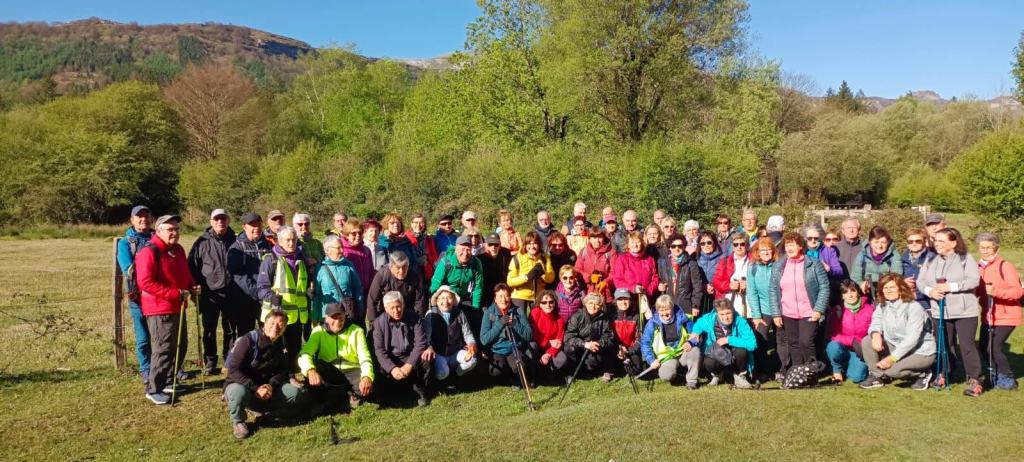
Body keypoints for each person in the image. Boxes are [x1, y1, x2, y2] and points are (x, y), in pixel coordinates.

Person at [136, 215, 199, 405]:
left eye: (177, 229)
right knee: (163, 348)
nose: (174, 233)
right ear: (158, 231)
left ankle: (169, 381)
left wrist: (192, 286)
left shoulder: (177, 249)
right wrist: (174, 293)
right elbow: (145, 282)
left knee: (180, 345)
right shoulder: (149, 251)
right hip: (159, 308)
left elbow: (185, 274)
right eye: (170, 229)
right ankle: (154, 388)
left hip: (178, 305)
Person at [916, 228, 984, 396]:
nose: (937, 244)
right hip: (939, 311)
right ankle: (945, 373)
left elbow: (974, 280)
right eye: (936, 240)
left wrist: (950, 287)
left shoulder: (965, 258)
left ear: (953, 243)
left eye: (942, 241)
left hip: (965, 312)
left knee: (967, 346)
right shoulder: (930, 260)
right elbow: (920, 281)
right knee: (944, 344)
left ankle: (975, 379)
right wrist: (930, 291)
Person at [223, 310, 310, 439]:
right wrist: (256, 388)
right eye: (272, 323)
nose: (276, 327)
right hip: (243, 385)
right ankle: (238, 421)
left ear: (285, 327)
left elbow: (283, 370)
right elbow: (233, 370)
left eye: (281, 324)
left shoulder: (282, 342)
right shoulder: (247, 340)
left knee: (294, 393)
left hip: (266, 386)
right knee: (238, 392)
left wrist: (271, 385)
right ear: (264, 323)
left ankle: (261, 409)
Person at [858, 274, 936, 391]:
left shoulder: (914, 307)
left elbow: (912, 338)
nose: (888, 291)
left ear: (900, 288)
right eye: (885, 288)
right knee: (867, 341)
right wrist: (876, 335)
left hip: (920, 351)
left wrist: (892, 358)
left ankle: (923, 374)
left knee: (893, 372)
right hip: (895, 346)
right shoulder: (882, 306)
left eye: (892, 287)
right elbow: (876, 322)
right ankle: (877, 376)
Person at [298, 301, 374, 415]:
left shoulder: (357, 331)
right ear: (326, 318)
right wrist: (310, 370)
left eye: (341, 317)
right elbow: (304, 353)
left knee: (368, 389)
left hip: (352, 370)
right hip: (330, 369)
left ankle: (339, 396)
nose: (338, 321)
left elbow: (365, 357)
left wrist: (367, 377)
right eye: (334, 317)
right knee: (313, 368)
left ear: (345, 316)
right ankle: (345, 396)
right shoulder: (318, 331)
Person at [768, 232, 829, 372]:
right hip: (787, 312)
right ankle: (798, 372)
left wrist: (819, 309)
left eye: (793, 245)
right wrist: (776, 313)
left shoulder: (814, 264)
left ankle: (812, 372)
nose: (789, 248)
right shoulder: (778, 266)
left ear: (801, 246)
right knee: (793, 343)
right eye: (787, 245)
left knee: (806, 342)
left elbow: (824, 287)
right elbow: (773, 290)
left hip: (809, 311)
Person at [188, 208, 239, 375]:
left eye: (223, 219)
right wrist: (195, 287)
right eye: (217, 219)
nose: (220, 222)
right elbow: (192, 266)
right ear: (211, 222)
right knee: (209, 328)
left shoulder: (236, 240)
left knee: (230, 329)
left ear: (228, 220)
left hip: (231, 292)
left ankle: (229, 360)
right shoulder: (202, 242)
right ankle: (210, 360)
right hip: (209, 293)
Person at [256, 225, 313, 370]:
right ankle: (273, 376)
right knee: (274, 349)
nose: (291, 243)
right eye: (287, 240)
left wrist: (309, 291)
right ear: (279, 241)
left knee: (294, 349)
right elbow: (261, 288)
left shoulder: (302, 258)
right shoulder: (270, 260)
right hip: (276, 314)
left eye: (294, 240)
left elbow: (304, 283)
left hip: (296, 315)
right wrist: (271, 297)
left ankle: (291, 375)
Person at [975, 232, 1023, 390]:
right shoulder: (977, 267)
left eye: (989, 247)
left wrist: (996, 292)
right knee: (984, 347)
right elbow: (978, 291)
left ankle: (1007, 379)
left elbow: (1018, 292)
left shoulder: (1005, 266)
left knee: (993, 348)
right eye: (982, 247)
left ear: (996, 247)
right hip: (988, 316)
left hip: (1007, 316)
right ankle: (994, 375)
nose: (985, 250)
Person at [373, 291, 432, 406]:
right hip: (392, 357)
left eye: (398, 306)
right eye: (392, 308)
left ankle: (421, 391)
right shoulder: (379, 323)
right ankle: (396, 392)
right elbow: (379, 350)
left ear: (403, 305)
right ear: (386, 309)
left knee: (426, 359)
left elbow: (420, 343)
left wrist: (409, 364)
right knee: (381, 368)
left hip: (410, 355)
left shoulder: (414, 317)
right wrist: (392, 368)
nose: (396, 311)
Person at [116, 205, 154, 383]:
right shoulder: (126, 243)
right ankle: (146, 369)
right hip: (138, 297)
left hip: (159, 296)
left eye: (146, 216)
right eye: (139, 216)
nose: (143, 219)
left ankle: (168, 367)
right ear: (132, 220)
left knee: (163, 335)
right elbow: (128, 269)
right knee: (143, 337)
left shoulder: (158, 238)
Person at [227, 212, 269, 356]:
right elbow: (238, 276)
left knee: (268, 333)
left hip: (266, 299)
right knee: (245, 336)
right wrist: (258, 292)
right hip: (246, 300)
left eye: (259, 225)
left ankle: (265, 361)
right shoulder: (237, 247)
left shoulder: (267, 244)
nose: (256, 228)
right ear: (244, 227)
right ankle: (243, 363)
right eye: (252, 225)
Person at [690, 299, 757, 388]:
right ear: (717, 313)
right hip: (718, 354)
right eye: (722, 314)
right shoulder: (710, 319)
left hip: (734, 356)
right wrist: (695, 332)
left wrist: (729, 340)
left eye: (728, 313)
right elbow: (698, 324)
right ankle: (717, 375)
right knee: (709, 362)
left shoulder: (741, 322)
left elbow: (752, 344)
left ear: (733, 311)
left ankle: (740, 376)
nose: (725, 317)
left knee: (741, 352)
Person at [639, 295, 701, 388]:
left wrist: (690, 342)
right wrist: (651, 360)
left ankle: (692, 382)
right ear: (657, 310)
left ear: (672, 307)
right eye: (661, 310)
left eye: (667, 309)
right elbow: (645, 344)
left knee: (695, 351)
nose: (665, 313)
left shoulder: (684, 318)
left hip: (683, 353)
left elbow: (695, 334)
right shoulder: (652, 323)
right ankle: (680, 376)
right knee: (666, 375)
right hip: (667, 358)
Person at [430, 235, 485, 335]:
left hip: (463, 296)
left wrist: (475, 307)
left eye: (468, 250)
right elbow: (435, 285)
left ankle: (472, 341)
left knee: (475, 317)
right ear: (456, 249)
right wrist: (435, 305)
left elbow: (478, 287)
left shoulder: (476, 263)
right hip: (446, 297)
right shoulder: (446, 262)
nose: (465, 253)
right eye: (462, 249)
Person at [423, 286, 479, 384]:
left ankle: (454, 377)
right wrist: (429, 347)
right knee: (442, 373)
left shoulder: (459, 313)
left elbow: (467, 333)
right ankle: (441, 381)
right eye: (442, 298)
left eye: (449, 298)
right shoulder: (431, 313)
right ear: (437, 300)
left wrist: (472, 344)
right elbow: (427, 336)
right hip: (439, 353)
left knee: (472, 360)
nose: (445, 301)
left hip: (455, 351)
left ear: (453, 301)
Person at [481, 284, 533, 387]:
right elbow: (484, 339)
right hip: (497, 350)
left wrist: (515, 324)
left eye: (506, 296)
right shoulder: (489, 313)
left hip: (514, 349)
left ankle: (515, 375)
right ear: (495, 299)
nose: (503, 300)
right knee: (496, 371)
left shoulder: (518, 311)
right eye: (500, 296)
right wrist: (499, 324)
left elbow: (529, 335)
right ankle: (508, 376)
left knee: (520, 366)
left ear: (510, 297)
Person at [825, 280, 874, 384]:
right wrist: (852, 341)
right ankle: (837, 370)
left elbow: (873, 332)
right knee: (833, 346)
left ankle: (849, 366)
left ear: (858, 292)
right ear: (842, 296)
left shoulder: (870, 309)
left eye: (853, 291)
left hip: (860, 350)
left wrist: (861, 345)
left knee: (857, 377)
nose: (850, 295)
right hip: (842, 348)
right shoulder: (838, 310)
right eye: (846, 292)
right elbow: (833, 335)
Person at [745, 238, 780, 380]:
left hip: (781, 310)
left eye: (768, 249)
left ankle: (780, 369)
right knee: (761, 340)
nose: (766, 252)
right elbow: (752, 293)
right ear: (757, 252)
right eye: (762, 249)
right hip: (763, 310)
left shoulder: (779, 266)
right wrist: (756, 316)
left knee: (780, 342)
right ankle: (762, 371)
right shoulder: (752, 268)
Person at [564, 293, 617, 382]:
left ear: (600, 306)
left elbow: (608, 336)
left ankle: (607, 370)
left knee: (595, 360)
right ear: (585, 303)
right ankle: (570, 372)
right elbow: (569, 337)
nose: (593, 306)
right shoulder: (577, 316)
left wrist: (598, 343)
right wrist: (584, 344)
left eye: (597, 304)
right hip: (580, 347)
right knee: (569, 348)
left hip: (595, 347)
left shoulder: (604, 317)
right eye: (590, 303)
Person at [366, 252, 428, 328]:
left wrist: (418, 321)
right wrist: (374, 323)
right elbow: (372, 300)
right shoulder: (382, 275)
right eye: (398, 268)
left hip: (407, 312)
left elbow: (419, 301)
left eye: (404, 267)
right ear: (391, 267)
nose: (401, 271)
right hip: (385, 313)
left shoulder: (414, 276)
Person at [315, 235, 365, 327]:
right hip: (328, 316)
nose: (342, 250)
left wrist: (360, 311)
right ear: (327, 250)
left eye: (342, 247)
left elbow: (357, 289)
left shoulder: (348, 265)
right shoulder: (320, 269)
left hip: (345, 314)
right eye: (338, 248)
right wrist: (315, 317)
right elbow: (316, 295)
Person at [526, 290, 569, 381]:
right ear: (539, 304)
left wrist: (548, 354)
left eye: (551, 302)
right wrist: (548, 342)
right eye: (544, 302)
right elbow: (532, 334)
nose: (548, 305)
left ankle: (548, 372)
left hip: (549, 350)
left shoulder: (559, 319)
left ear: (555, 303)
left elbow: (559, 341)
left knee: (562, 359)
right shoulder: (535, 313)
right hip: (537, 346)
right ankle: (531, 375)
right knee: (531, 346)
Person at [507, 231, 556, 311]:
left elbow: (551, 278)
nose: (532, 246)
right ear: (525, 245)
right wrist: (526, 277)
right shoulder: (517, 258)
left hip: (538, 295)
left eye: (535, 243)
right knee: (520, 317)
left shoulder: (545, 257)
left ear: (539, 245)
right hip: (519, 295)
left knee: (538, 318)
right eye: (529, 244)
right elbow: (510, 281)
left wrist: (542, 274)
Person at [657, 234, 703, 318]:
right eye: (673, 246)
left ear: (684, 247)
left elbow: (697, 286)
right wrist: (660, 284)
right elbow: (661, 279)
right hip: (667, 305)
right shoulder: (663, 263)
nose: (676, 249)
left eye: (680, 246)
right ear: (669, 247)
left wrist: (695, 305)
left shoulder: (691, 263)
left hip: (685, 304)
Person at [851, 226, 903, 300]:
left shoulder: (894, 255)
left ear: (888, 243)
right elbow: (855, 274)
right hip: (867, 291)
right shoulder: (862, 254)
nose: (880, 246)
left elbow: (897, 274)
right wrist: (861, 283)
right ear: (870, 242)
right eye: (876, 242)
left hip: (886, 291)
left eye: (883, 242)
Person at [612, 232, 659, 305]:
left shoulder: (649, 259)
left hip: (646, 299)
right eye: (632, 242)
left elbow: (655, 278)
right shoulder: (622, 259)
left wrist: (648, 292)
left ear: (642, 243)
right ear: (628, 245)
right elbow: (617, 280)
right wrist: (632, 288)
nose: (635, 245)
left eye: (638, 242)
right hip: (628, 300)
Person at [575, 227, 616, 304]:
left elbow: (614, 272)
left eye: (600, 237)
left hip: (605, 292)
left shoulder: (611, 253)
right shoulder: (584, 252)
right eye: (594, 237)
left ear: (603, 238)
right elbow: (577, 269)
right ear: (589, 239)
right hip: (587, 292)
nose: (597, 240)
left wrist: (606, 282)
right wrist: (589, 277)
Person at [712, 232, 750, 314]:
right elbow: (716, 282)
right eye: (736, 244)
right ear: (732, 246)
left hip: (750, 304)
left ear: (747, 245)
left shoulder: (754, 261)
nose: (739, 247)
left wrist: (749, 284)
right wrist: (729, 285)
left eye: (742, 244)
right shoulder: (724, 261)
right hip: (728, 304)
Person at [610, 289, 644, 376]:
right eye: (620, 299)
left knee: (636, 370)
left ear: (630, 300)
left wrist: (629, 351)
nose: (623, 302)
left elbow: (640, 338)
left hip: (631, 350)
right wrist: (619, 349)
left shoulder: (636, 316)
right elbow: (610, 337)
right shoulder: (611, 317)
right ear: (615, 301)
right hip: (616, 350)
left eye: (626, 299)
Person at [901, 227, 935, 305]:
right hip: (906, 301)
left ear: (924, 242)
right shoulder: (902, 259)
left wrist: (917, 294)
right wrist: (903, 282)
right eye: (910, 241)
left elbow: (933, 282)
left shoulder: (932, 258)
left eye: (918, 241)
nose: (914, 244)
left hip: (927, 302)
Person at [340, 219, 374, 297]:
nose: (358, 235)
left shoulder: (366, 250)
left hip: (366, 292)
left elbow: (371, 272)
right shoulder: (342, 251)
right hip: (349, 294)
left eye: (360, 233)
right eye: (354, 233)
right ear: (347, 235)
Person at [479, 233, 513, 308]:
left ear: (500, 245)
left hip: (502, 290)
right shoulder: (480, 258)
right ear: (485, 245)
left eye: (496, 245)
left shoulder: (506, 254)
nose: (493, 247)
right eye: (490, 244)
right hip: (486, 291)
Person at [696, 231, 724, 312]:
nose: (706, 245)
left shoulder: (723, 258)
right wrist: (703, 286)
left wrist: (714, 286)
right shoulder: (695, 258)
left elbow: (725, 277)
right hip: (700, 296)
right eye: (703, 243)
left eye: (709, 242)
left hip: (718, 295)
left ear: (714, 243)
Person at [405, 213, 438, 279]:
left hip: (427, 274)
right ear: (411, 224)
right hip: (410, 275)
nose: (418, 225)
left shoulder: (428, 239)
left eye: (421, 222)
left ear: (424, 224)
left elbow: (434, 257)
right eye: (416, 222)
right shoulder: (405, 238)